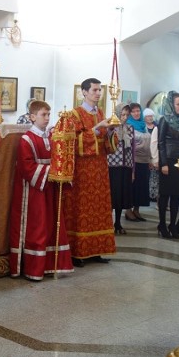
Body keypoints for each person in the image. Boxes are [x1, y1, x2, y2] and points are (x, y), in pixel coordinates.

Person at [8, 100, 74, 280]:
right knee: (37, 227)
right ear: (32, 116)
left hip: (50, 188)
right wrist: (53, 170)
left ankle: (50, 265)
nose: (47, 118)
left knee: (51, 225)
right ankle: (33, 268)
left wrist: (62, 169)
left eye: (48, 114)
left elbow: (60, 158)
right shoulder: (27, 139)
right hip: (33, 191)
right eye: (43, 115)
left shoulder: (51, 137)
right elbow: (26, 167)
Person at [64, 78, 117, 266]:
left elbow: (109, 145)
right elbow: (72, 142)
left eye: (99, 90)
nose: (98, 93)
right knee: (82, 209)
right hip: (83, 170)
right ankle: (78, 252)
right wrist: (96, 129)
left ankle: (96, 250)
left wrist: (110, 132)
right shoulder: (75, 114)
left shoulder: (100, 112)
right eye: (94, 90)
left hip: (100, 168)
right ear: (84, 92)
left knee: (99, 208)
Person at [156, 91, 179, 239]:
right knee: (165, 194)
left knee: (176, 194)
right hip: (168, 160)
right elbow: (161, 142)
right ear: (171, 104)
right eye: (178, 104)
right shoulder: (164, 119)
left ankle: (173, 225)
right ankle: (162, 224)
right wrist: (163, 163)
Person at [107, 104, 134, 234]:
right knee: (113, 195)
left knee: (122, 196)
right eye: (122, 114)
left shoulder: (130, 128)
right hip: (113, 166)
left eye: (127, 115)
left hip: (126, 166)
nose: (124, 117)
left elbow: (133, 149)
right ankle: (108, 223)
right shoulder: (111, 126)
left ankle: (118, 223)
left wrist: (133, 169)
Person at [126, 103, 150, 221]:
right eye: (134, 111)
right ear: (130, 113)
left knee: (141, 186)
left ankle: (137, 210)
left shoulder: (143, 125)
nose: (136, 113)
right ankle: (128, 210)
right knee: (132, 186)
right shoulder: (128, 125)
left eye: (138, 111)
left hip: (144, 160)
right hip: (133, 161)